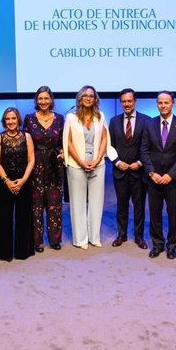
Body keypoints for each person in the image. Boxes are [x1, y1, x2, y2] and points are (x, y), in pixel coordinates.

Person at [63, 85, 115, 249]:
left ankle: (94, 237)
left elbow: (105, 138)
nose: (88, 98)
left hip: (97, 164)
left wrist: (99, 158)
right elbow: (68, 142)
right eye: (85, 95)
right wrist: (80, 161)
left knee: (96, 202)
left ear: (95, 99)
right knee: (77, 203)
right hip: (76, 165)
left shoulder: (101, 116)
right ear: (79, 98)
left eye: (91, 96)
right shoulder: (71, 118)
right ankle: (81, 239)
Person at [140, 90, 176, 260]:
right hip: (153, 178)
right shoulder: (149, 124)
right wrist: (152, 172)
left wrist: (170, 175)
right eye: (160, 103)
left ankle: (172, 246)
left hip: (173, 180)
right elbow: (144, 150)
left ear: (173, 104)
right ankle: (157, 244)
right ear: (157, 104)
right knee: (154, 213)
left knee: (173, 213)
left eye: (166, 102)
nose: (163, 106)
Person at [23, 86, 64, 252]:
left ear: (51, 100)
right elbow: (25, 141)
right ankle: (37, 241)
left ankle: (54, 240)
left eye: (46, 98)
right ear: (36, 101)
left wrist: (62, 152)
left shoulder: (60, 119)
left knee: (55, 204)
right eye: (40, 99)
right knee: (36, 204)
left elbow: (63, 141)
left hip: (55, 165)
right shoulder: (29, 119)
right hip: (36, 163)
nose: (43, 102)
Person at [0, 108, 36, 261]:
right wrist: (7, 181)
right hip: (4, 181)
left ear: (18, 120)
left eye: (13, 118)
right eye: (8, 119)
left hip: (23, 180)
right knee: (3, 217)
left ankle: (23, 251)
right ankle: (3, 252)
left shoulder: (27, 136)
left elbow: (31, 160)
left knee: (24, 216)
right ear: (4, 121)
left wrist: (23, 180)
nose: (10, 122)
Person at [109, 88, 151, 249]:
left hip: (139, 172)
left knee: (139, 206)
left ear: (135, 101)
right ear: (121, 103)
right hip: (120, 171)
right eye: (123, 101)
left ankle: (139, 237)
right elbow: (110, 146)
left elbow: (148, 146)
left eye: (129, 101)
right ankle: (122, 235)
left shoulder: (147, 121)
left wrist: (140, 162)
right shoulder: (114, 121)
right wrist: (117, 161)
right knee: (121, 204)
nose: (126, 104)